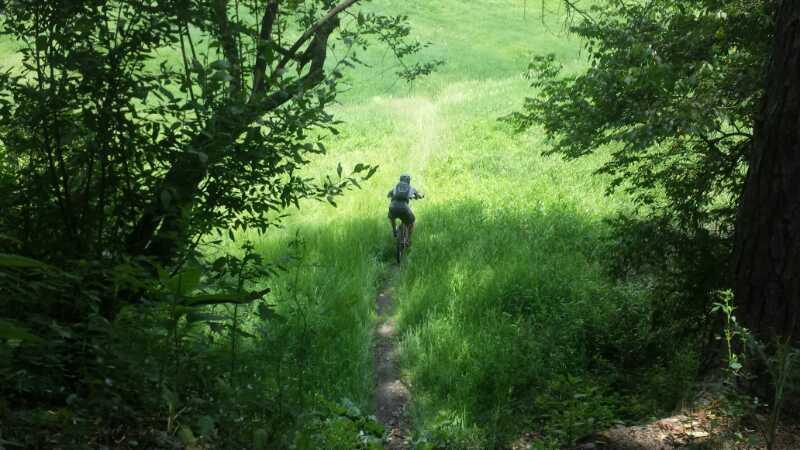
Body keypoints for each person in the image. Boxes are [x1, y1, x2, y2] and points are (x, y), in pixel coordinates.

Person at [387, 173, 424, 244]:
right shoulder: (411, 188)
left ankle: (394, 230)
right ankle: (408, 240)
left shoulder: (396, 187)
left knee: (391, 217)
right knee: (411, 221)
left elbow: (389, 194)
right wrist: (420, 196)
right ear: (408, 181)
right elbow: (418, 195)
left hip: (393, 207)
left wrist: (391, 196)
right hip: (404, 208)